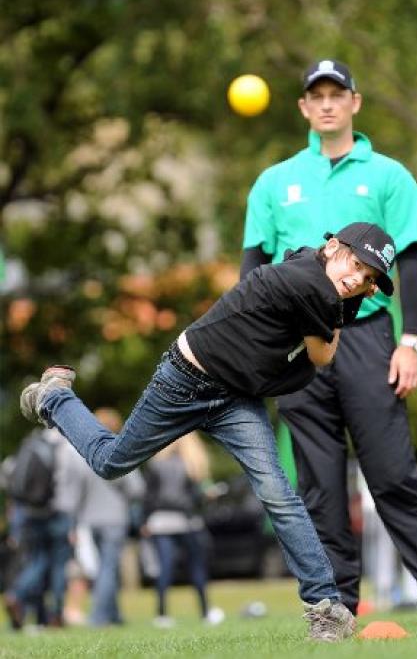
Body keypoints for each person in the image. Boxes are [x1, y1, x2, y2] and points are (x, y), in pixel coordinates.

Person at [19, 221, 396, 643]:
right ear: (332, 245)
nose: (356, 280)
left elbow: (317, 323)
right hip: (183, 382)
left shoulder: (312, 266)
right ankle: (55, 397)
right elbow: (322, 355)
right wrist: (346, 308)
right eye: (355, 264)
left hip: (235, 398)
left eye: (367, 279)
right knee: (109, 463)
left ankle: (328, 609)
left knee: (278, 494)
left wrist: (343, 300)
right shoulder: (313, 287)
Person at [240, 58, 417, 627]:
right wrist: (258, 349)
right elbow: (253, 266)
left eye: (337, 94)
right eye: (317, 96)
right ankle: (336, 604)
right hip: (298, 346)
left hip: (368, 338)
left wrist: (409, 340)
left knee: (392, 472)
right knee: (319, 484)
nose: (327, 104)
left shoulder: (388, 176)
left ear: (354, 103)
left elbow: (410, 260)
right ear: (304, 108)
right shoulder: (274, 181)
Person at [64, 408, 145, 627]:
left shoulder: (84, 453)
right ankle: (99, 617)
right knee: (109, 568)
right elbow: (137, 489)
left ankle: (114, 615)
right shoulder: (119, 450)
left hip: (89, 520)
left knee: (104, 568)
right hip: (114, 519)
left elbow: (74, 492)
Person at [142, 432, 223, 628]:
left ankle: (161, 615)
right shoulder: (192, 465)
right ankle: (205, 612)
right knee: (196, 567)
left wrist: (145, 521)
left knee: (165, 568)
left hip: (160, 521)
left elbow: (148, 496)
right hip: (186, 521)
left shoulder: (156, 464)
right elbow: (194, 499)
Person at [3, 428, 76, 629]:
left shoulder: (31, 443)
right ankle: (56, 615)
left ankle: (16, 595)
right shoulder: (65, 447)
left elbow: (8, 474)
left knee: (37, 561)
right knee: (59, 566)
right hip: (58, 513)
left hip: (32, 512)